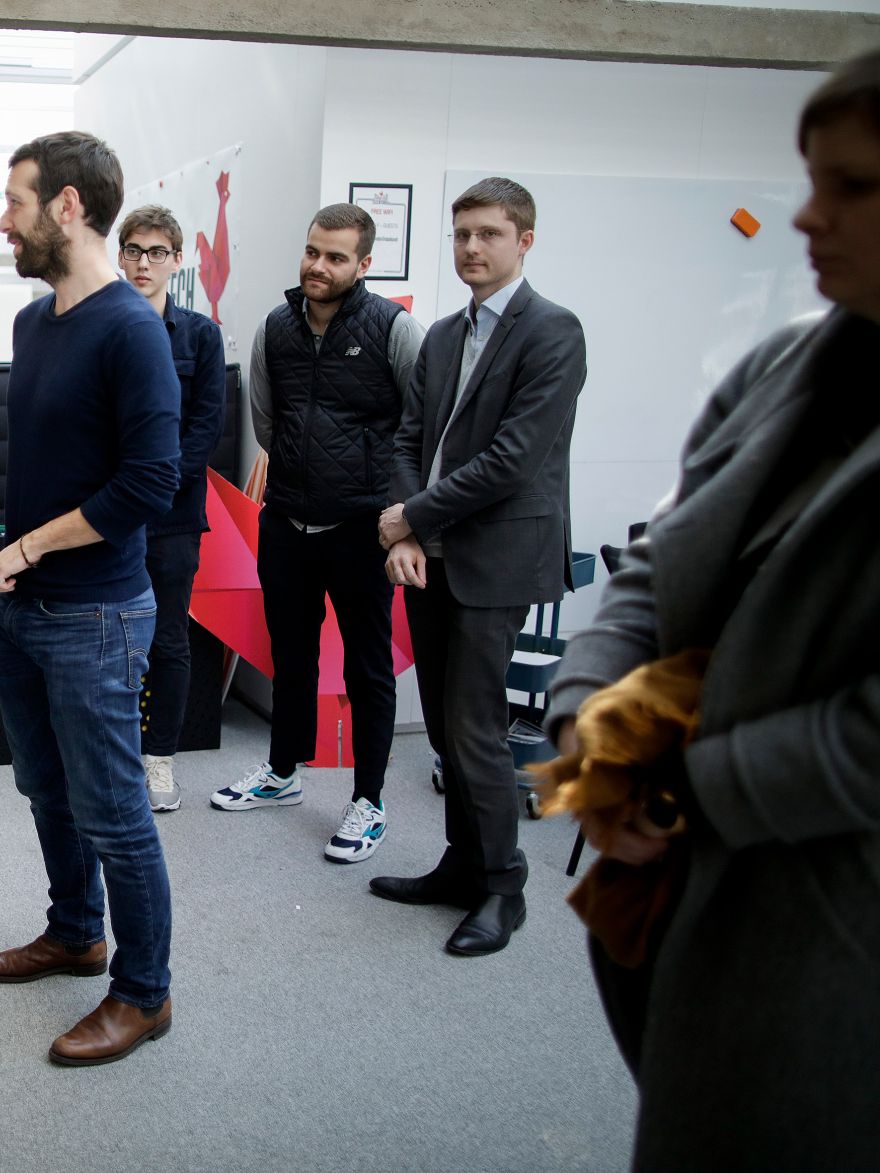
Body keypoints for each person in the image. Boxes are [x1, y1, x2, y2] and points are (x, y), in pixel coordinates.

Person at [545, 51, 880, 1168]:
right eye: (809, 177)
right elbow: (654, 567)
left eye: (851, 187)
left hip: (827, 919)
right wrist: (590, 719)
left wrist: (684, 788)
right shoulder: (782, 368)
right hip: (680, 889)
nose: (803, 215)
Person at [0, 132, 180, 1066]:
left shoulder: (132, 327)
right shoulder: (33, 322)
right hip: (26, 607)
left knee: (112, 808)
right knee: (44, 787)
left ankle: (144, 992)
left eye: (14, 200)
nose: (3, 219)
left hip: (96, 613)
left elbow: (149, 485)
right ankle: (75, 930)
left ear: (67, 206)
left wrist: (26, 545)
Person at [373, 178, 587, 956]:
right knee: (443, 724)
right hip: (428, 555)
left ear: (524, 240)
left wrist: (411, 516)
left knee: (475, 728)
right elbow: (407, 441)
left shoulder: (553, 332)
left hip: (496, 558)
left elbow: (511, 461)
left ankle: (504, 885)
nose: (471, 248)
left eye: (489, 234)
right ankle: (462, 865)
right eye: (462, 234)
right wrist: (402, 534)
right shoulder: (439, 334)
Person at [210, 203, 425, 865]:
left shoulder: (394, 329)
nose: (319, 266)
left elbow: (422, 426)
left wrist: (402, 516)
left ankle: (369, 799)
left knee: (366, 668)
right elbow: (268, 424)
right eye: (312, 252)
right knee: (292, 654)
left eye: (336, 257)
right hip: (288, 520)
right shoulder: (276, 327)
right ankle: (281, 771)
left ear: (363, 264)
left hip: (364, 526)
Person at [114, 205, 227, 814]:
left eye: (157, 252)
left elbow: (207, 425)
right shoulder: (102, 324)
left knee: (168, 639)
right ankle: (114, 752)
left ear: (176, 261)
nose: (143, 262)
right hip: (109, 512)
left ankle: (160, 759)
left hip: (173, 512)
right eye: (133, 249)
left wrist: (156, 486)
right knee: (109, 635)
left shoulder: (201, 336)